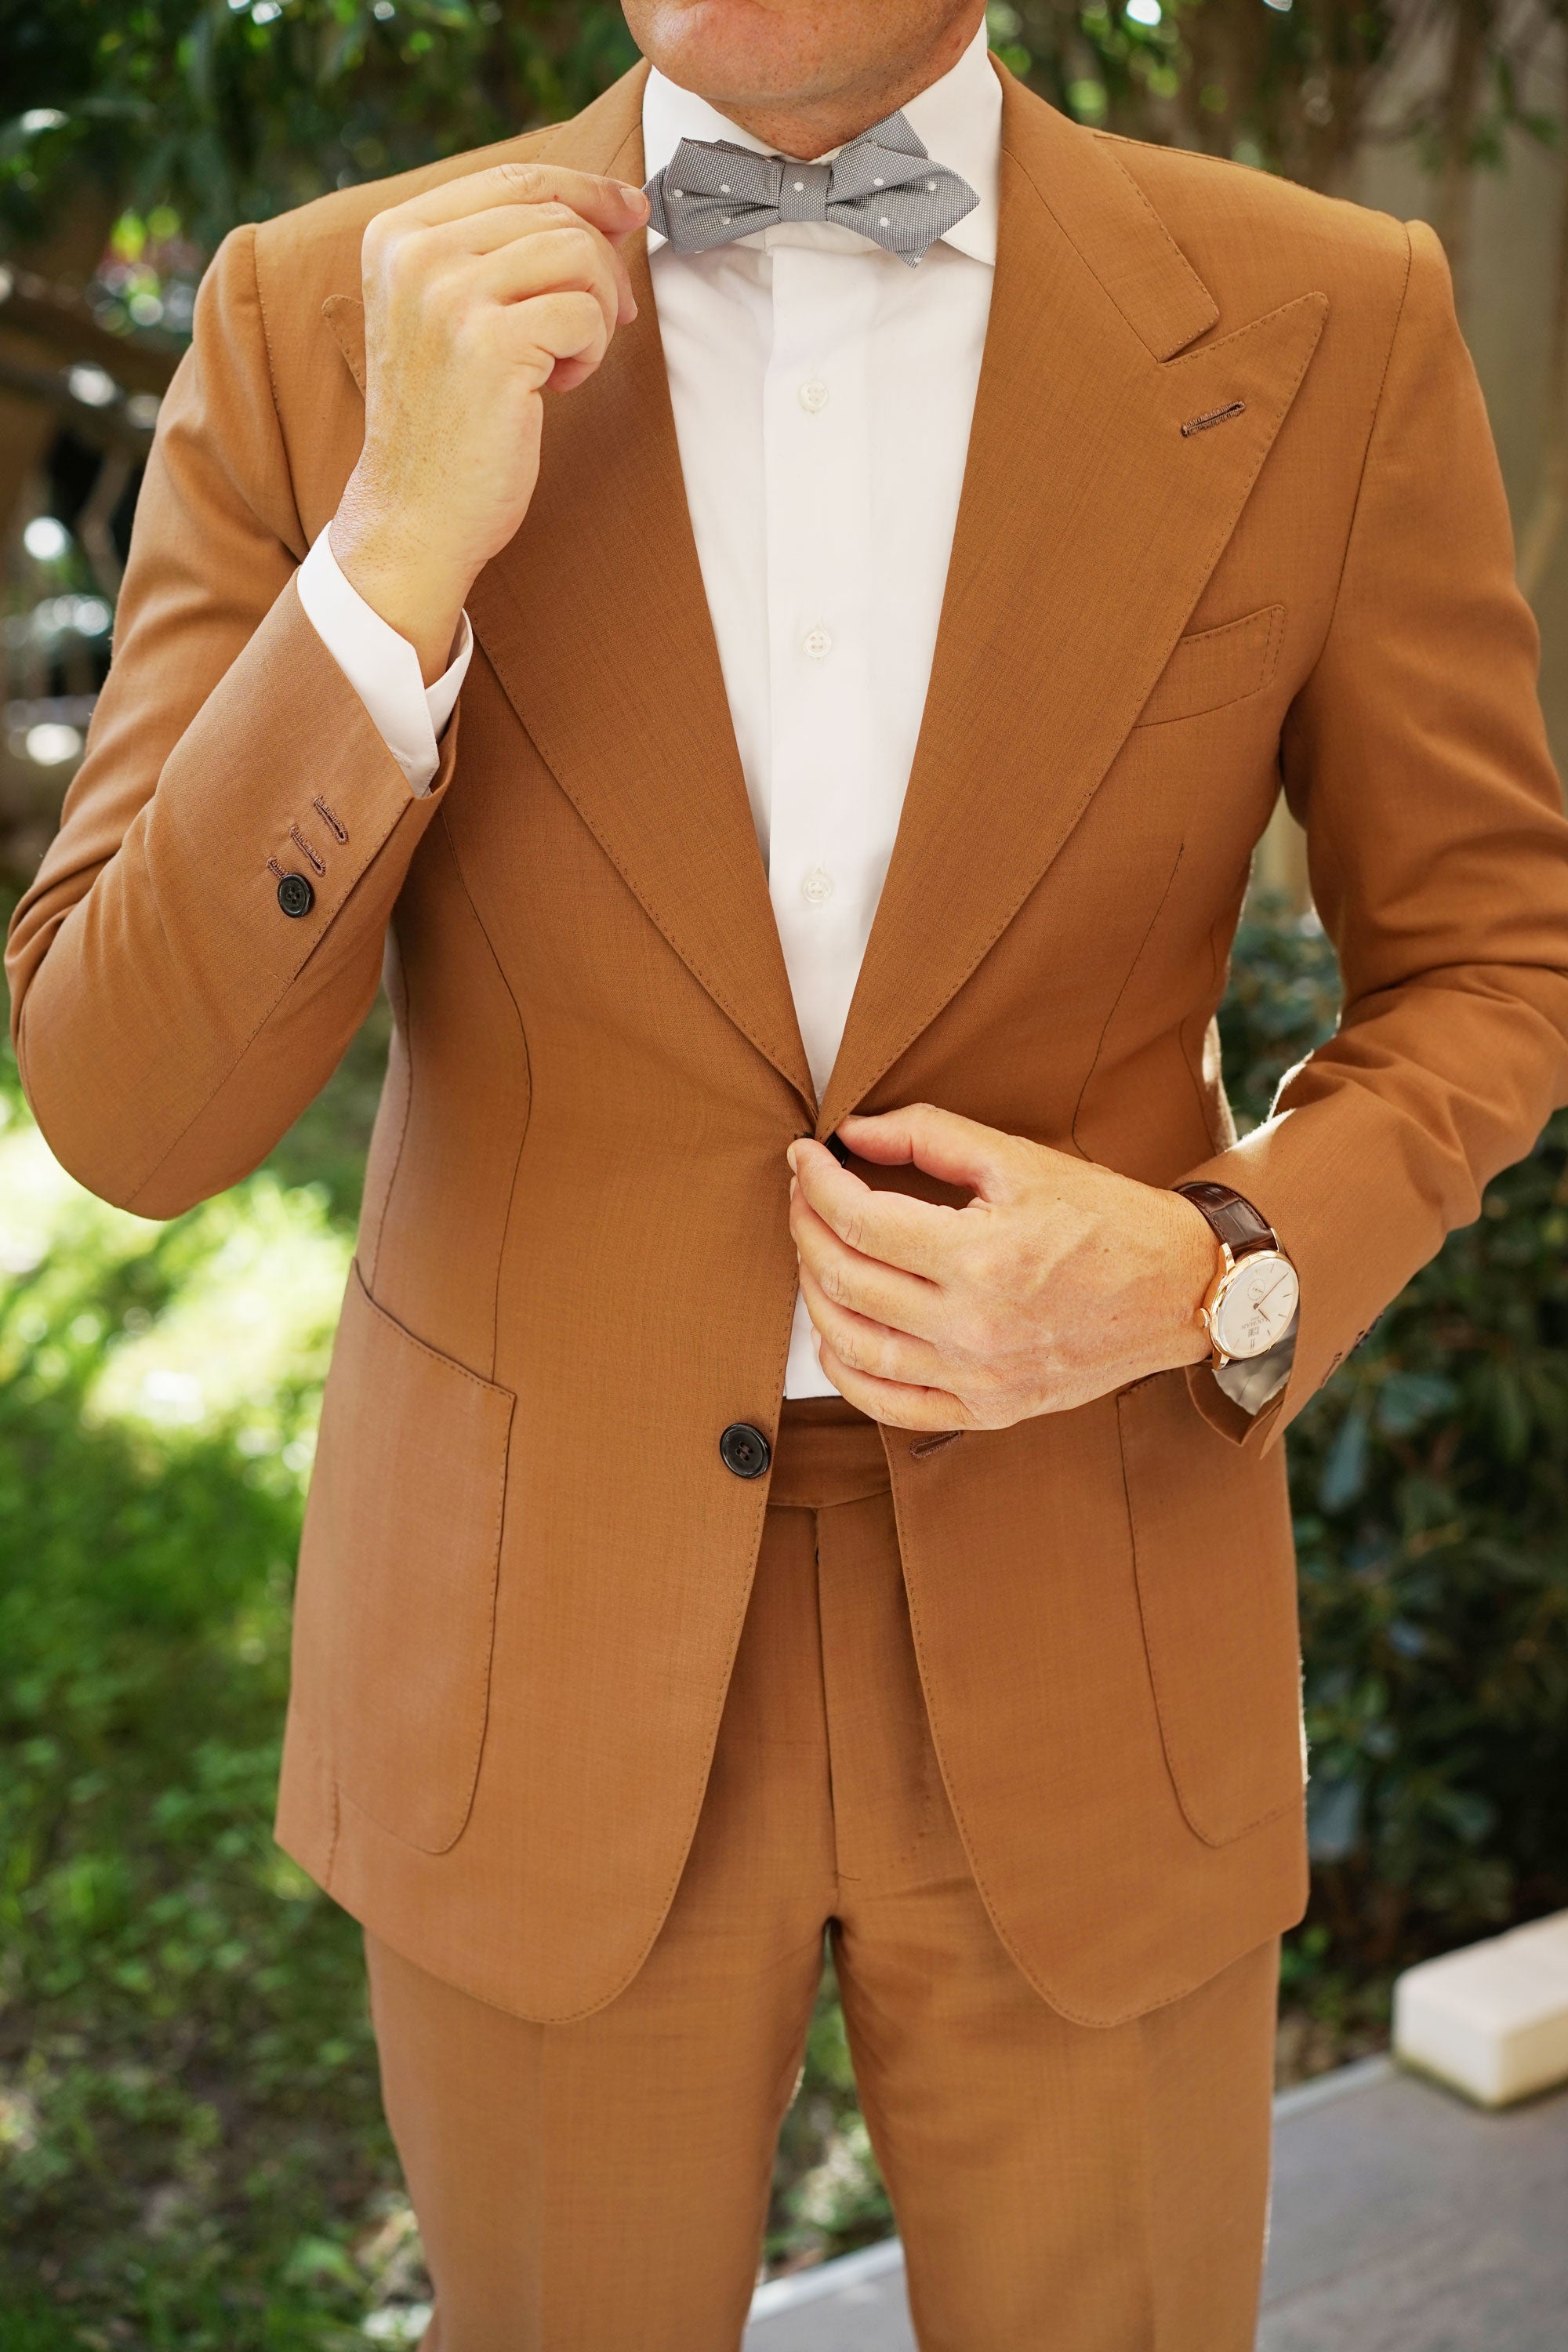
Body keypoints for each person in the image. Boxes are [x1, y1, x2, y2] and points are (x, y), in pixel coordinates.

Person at [9, 0, 1568, 2342]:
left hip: (1097, 1624)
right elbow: (124, 1111)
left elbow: (1494, 968)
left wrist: (1212, 1267)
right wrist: (394, 552)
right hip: (534, 1669)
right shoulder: (316, 315)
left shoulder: (1333, 319)